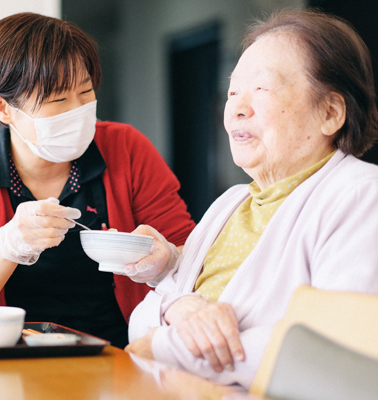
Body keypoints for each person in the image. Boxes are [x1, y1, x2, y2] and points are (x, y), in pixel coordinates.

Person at [126, 9, 378, 387]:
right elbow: (144, 316)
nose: (236, 108)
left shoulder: (361, 196)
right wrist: (178, 309)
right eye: (231, 92)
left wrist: (162, 345)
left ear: (330, 113)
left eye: (262, 89)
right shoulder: (232, 202)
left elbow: (330, 346)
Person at [0, 12, 195, 347]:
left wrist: (165, 258)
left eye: (86, 92)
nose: (79, 110)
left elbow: (192, 255)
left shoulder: (125, 148)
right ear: (2, 108)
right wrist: (9, 244)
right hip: (9, 362)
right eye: (58, 100)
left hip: (120, 354)